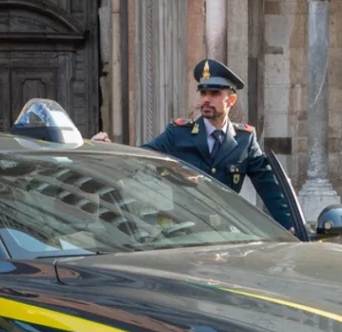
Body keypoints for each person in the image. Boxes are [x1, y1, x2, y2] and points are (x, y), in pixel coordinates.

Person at [92, 58, 296, 232]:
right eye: (203, 93)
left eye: (214, 93)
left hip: (227, 235)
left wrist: (290, 225)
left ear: (231, 100)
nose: (206, 100)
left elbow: (269, 186)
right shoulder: (179, 133)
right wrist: (109, 149)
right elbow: (141, 158)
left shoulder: (244, 139)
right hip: (185, 233)